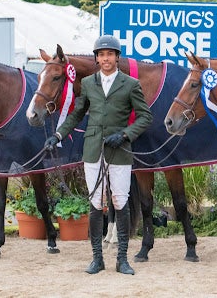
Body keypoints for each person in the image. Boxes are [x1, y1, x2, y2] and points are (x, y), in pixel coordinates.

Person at [44, 35, 153, 275]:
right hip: (93, 149)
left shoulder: (130, 84)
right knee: (96, 202)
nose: (106, 58)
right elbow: (76, 114)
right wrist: (58, 135)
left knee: (120, 201)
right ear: (97, 58)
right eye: (102, 55)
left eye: (110, 54)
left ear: (116, 57)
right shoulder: (89, 84)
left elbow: (145, 117)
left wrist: (125, 134)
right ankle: (97, 258)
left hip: (120, 149)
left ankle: (122, 259)